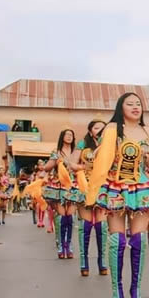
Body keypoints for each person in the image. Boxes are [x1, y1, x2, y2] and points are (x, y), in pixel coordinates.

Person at [91, 92, 149, 298]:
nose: (135, 107)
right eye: (130, 104)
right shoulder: (111, 130)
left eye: (138, 104)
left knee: (139, 240)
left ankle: (136, 290)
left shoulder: (147, 131)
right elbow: (101, 158)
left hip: (142, 187)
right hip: (116, 185)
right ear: (120, 107)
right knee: (116, 241)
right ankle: (117, 292)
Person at [75, 119, 108, 277]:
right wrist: (83, 167)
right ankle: (84, 262)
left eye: (103, 128)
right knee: (86, 226)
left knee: (102, 227)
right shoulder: (82, 145)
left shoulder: (109, 146)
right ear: (90, 131)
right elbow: (71, 163)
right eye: (96, 128)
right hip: (86, 187)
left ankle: (102, 261)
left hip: (103, 187)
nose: (100, 130)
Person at [42, 129, 80, 259]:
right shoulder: (56, 152)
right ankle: (60, 244)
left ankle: (69, 244)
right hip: (58, 185)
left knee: (70, 216)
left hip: (74, 186)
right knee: (61, 216)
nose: (69, 137)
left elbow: (82, 166)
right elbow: (46, 167)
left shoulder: (77, 152)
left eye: (71, 135)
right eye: (67, 135)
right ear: (62, 137)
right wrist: (55, 161)